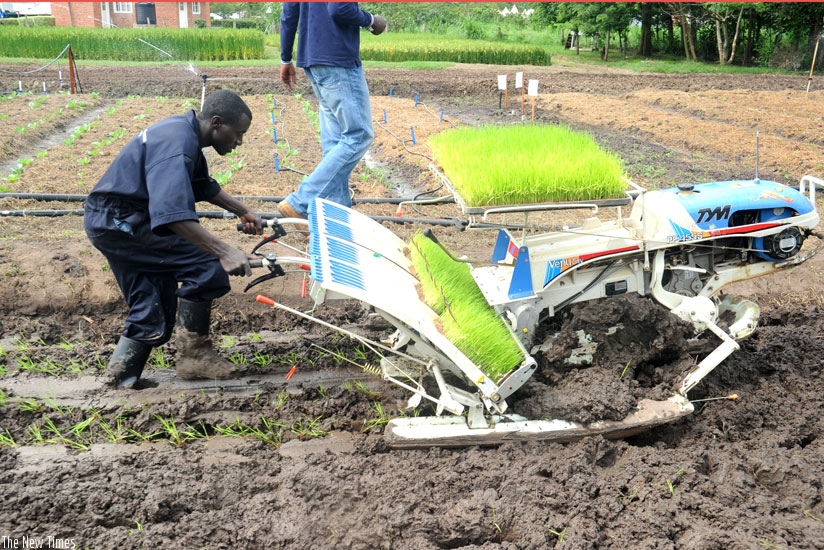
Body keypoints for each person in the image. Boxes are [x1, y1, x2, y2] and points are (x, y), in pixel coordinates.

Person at [84, 89, 262, 389]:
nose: (239, 142)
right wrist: (223, 251)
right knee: (207, 266)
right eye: (238, 133)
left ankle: (120, 379)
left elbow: (201, 185)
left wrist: (243, 211)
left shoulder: (184, 131)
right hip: (123, 222)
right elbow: (172, 214)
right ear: (217, 123)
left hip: (113, 221)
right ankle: (194, 356)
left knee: (151, 301)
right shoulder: (178, 143)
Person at [278, 2, 387, 219]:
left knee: (336, 142)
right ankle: (301, 202)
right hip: (338, 61)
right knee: (358, 134)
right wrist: (372, 20)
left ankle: (334, 215)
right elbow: (340, 8)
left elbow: (289, 14)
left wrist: (286, 58)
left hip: (314, 61)